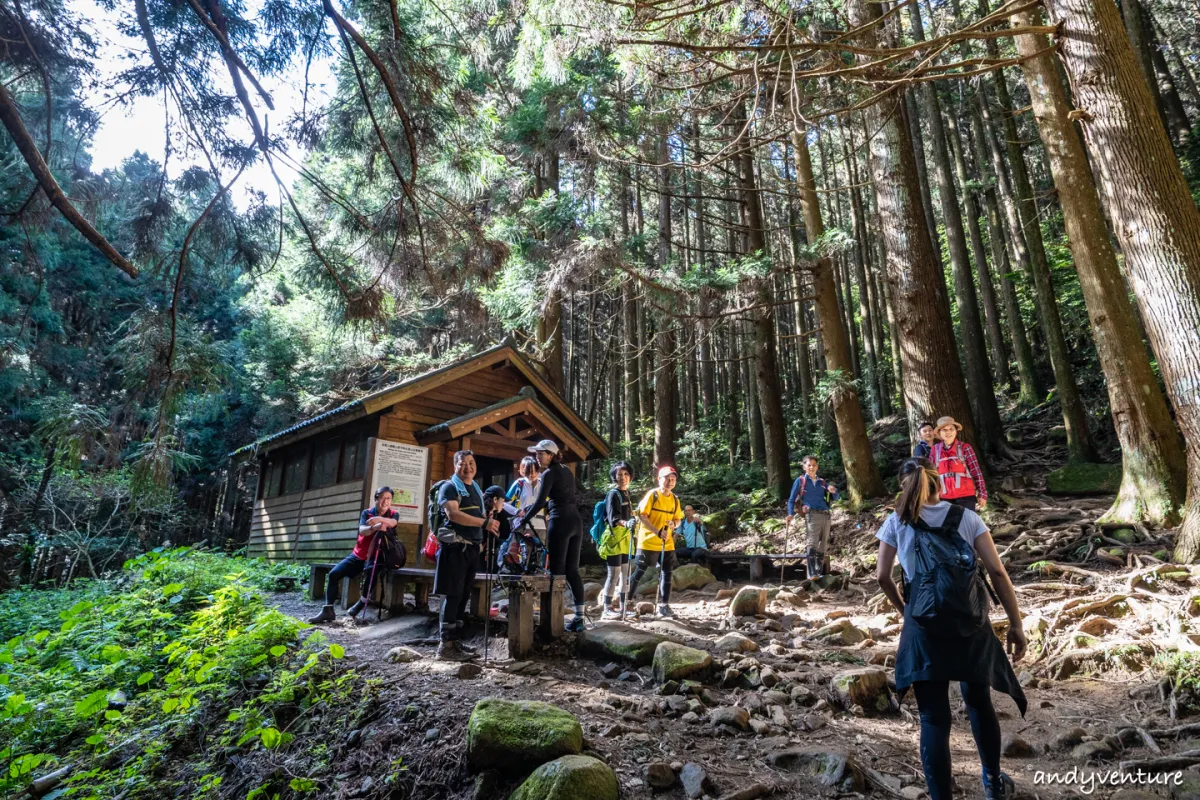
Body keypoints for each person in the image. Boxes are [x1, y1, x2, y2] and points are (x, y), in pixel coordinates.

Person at [875, 458, 1026, 800]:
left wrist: (906, 611)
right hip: (970, 622)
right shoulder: (968, 518)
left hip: (923, 624)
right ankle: (992, 783)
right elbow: (998, 574)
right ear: (938, 483)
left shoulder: (896, 521)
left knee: (932, 716)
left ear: (904, 485)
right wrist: (1016, 625)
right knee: (979, 702)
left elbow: (882, 576)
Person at [433, 450, 499, 661]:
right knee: (453, 595)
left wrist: (490, 519)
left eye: (471, 463)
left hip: (471, 549)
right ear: (455, 466)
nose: (468, 467)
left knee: (463, 595)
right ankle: (445, 646)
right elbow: (453, 514)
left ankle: (456, 641)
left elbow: (477, 515)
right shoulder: (449, 487)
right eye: (463, 463)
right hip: (455, 549)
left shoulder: (475, 489)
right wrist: (484, 523)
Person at [520, 439, 587, 632]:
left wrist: (524, 519)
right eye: (536, 454)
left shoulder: (548, 473)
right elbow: (564, 496)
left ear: (551, 455)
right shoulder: (567, 470)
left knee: (557, 570)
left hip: (560, 521)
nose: (537, 457)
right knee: (572, 570)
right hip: (575, 520)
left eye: (541, 454)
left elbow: (540, 501)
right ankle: (579, 618)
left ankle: (553, 621)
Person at [309, 486, 400, 624]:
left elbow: (393, 523)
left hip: (379, 556)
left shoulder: (393, 513)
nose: (385, 501)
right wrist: (374, 526)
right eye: (382, 497)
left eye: (389, 498)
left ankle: (359, 606)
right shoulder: (366, 513)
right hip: (359, 554)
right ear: (376, 498)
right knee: (334, 574)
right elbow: (363, 530)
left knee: (371, 572)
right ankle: (328, 610)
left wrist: (378, 519)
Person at [627, 465, 686, 619]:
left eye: (673, 479)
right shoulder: (652, 495)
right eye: (667, 478)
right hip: (647, 541)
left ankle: (664, 606)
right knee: (639, 572)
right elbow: (642, 515)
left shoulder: (675, 499)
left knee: (667, 573)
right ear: (659, 479)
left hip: (666, 543)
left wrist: (675, 525)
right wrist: (657, 532)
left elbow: (678, 518)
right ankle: (627, 602)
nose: (670, 482)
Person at [785, 456, 839, 579]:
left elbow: (834, 499)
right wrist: (790, 514)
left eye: (814, 465)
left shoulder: (822, 483)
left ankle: (818, 572)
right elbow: (792, 499)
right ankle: (812, 573)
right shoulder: (801, 481)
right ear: (804, 467)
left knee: (823, 544)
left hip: (826, 514)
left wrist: (834, 492)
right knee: (812, 542)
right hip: (812, 514)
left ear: (817, 467)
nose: (811, 467)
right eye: (809, 465)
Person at [599, 461, 636, 620]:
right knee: (614, 574)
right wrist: (626, 523)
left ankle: (623, 606)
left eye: (626, 474)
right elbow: (613, 518)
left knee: (625, 574)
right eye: (619, 474)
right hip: (614, 538)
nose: (623, 477)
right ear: (614, 476)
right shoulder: (613, 494)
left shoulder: (627, 493)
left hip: (625, 538)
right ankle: (607, 608)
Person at [930, 416, 988, 511]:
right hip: (943, 497)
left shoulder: (965, 448)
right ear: (939, 433)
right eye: (944, 430)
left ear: (956, 431)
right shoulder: (934, 450)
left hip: (966, 496)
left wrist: (982, 494)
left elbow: (976, 472)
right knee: (948, 525)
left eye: (951, 429)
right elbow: (931, 475)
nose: (948, 432)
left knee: (966, 524)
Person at [507, 456, 545, 536]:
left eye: (535, 471)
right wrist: (517, 511)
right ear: (523, 471)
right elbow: (504, 503)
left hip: (542, 526)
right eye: (529, 471)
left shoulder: (543, 484)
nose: (533, 474)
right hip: (523, 525)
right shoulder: (519, 484)